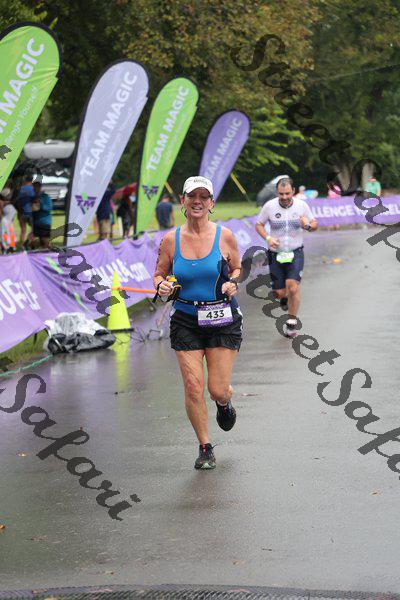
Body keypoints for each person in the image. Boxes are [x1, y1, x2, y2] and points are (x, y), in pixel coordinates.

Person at [153, 176, 242, 470]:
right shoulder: (170, 240)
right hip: (186, 318)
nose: (198, 202)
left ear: (211, 203)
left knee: (217, 389)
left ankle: (224, 402)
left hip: (221, 317)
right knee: (193, 386)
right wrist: (162, 286)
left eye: (204, 197)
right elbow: (158, 275)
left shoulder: (225, 236)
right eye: (192, 196)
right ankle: (205, 447)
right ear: (183, 201)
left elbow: (237, 268)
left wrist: (232, 283)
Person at [255, 177, 318, 338]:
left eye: (287, 193)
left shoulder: (302, 206)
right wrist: (268, 238)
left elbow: (314, 225)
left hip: (296, 252)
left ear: (293, 191)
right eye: (281, 194)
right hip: (275, 253)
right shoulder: (269, 206)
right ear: (277, 192)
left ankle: (291, 323)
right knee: (279, 292)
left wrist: (307, 225)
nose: (284, 197)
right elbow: (259, 224)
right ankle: (283, 298)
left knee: (293, 286)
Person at [31, 180, 52, 248]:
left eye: (35, 187)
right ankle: (41, 252)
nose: (34, 189)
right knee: (38, 241)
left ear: (39, 187)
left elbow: (49, 208)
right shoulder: (33, 197)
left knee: (44, 240)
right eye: (33, 187)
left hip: (44, 222)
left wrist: (41, 205)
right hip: (36, 222)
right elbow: (32, 209)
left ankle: (52, 251)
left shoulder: (46, 197)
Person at [16, 173, 35, 246]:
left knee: (23, 230)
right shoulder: (33, 189)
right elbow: (35, 200)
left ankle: (21, 246)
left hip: (21, 212)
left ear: (25, 180)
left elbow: (17, 201)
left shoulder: (20, 189)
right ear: (32, 180)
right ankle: (29, 243)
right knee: (34, 230)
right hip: (30, 212)